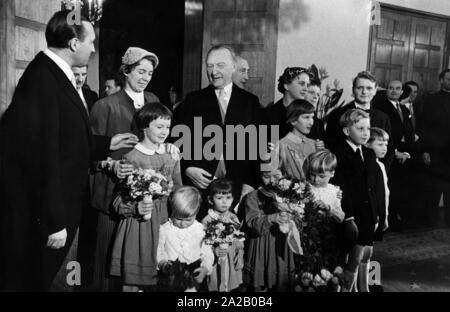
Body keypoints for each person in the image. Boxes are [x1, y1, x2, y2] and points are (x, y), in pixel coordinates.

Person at [0, 10, 136, 291]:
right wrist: (54, 221)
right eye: (91, 41)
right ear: (74, 44)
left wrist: (107, 143)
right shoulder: (43, 80)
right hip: (54, 214)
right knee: (56, 284)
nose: (94, 48)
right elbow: (42, 156)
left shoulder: (52, 74)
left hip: (62, 208)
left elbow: (64, 139)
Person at [89, 47, 161, 291]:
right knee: (107, 268)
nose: (145, 77)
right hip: (111, 199)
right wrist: (109, 164)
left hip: (146, 201)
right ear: (126, 71)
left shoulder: (153, 101)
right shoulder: (105, 106)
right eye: (140, 71)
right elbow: (88, 155)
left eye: (149, 73)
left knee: (137, 268)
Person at [172, 44, 265, 219]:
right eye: (209, 66)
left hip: (238, 185)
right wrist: (187, 168)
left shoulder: (250, 102)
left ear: (233, 67)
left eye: (220, 65)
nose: (214, 72)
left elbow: (259, 145)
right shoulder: (193, 100)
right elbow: (177, 139)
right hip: (200, 183)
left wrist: (251, 182)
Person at [109, 102, 182, 292]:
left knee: (164, 280)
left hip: (164, 221)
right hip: (139, 227)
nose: (164, 131)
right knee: (133, 283)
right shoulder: (132, 157)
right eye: (159, 126)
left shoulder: (171, 155)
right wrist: (135, 208)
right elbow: (117, 200)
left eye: (167, 126)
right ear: (144, 127)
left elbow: (178, 190)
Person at [330, 109, 383, 292]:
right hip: (349, 215)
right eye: (360, 129)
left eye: (368, 128)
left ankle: (358, 288)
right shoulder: (338, 154)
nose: (366, 133)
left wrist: (377, 216)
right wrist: (348, 217)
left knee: (360, 257)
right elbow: (339, 190)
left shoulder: (368, 154)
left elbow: (374, 188)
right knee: (348, 260)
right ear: (346, 131)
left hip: (367, 215)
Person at [240, 166, 296, 291]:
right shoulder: (252, 197)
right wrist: (271, 218)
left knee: (283, 284)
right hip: (261, 245)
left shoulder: (291, 195)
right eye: (266, 176)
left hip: (282, 245)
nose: (271, 181)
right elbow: (252, 223)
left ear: (284, 175)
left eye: (276, 176)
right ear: (260, 176)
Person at [325, 71, 393, 170]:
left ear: (375, 90)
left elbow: (389, 149)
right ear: (353, 90)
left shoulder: (383, 117)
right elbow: (330, 145)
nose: (364, 92)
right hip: (344, 171)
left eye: (369, 88)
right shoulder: (337, 114)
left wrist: (378, 172)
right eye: (360, 88)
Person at [373, 80, 415, 230]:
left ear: (402, 92)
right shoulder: (380, 108)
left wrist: (407, 152)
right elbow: (381, 134)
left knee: (401, 189)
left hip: (405, 156)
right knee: (389, 188)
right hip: (389, 154)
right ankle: (388, 221)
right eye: (391, 88)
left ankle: (398, 219)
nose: (394, 91)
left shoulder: (404, 109)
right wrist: (395, 152)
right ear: (387, 91)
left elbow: (410, 132)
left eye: (397, 89)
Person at [157, 186, 214, 292]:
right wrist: (162, 263)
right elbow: (158, 251)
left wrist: (205, 269)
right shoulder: (165, 229)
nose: (182, 223)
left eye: (188, 220)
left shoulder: (201, 229)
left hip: (194, 272)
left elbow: (207, 252)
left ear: (196, 213)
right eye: (178, 218)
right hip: (171, 273)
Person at [418, 69, 450, 228]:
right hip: (436, 151)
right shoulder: (431, 99)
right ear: (441, 80)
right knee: (433, 188)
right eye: (448, 79)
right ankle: (429, 221)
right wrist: (425, 150)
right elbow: (424, 126)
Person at [201, 179, 244, 292]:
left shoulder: (233, 218)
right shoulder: (207, 220)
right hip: (216, 260)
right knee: (217, 284)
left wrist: (240, 252)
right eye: (219, 198)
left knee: (230, 285)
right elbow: (202, 243)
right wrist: (213, 250)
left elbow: (238, 238)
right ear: (210, 200)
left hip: (230, 257)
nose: (224, 202)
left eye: (228, 198)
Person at [265, 67, 313, 141]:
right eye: (301, 83)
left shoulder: (311, 114)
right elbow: (262, 148)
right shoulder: (269, 115)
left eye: (307, 85)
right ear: (286, 85)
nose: (306, 89)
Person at [275, 99, 317, 180]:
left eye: (312, 117)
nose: (311, 122)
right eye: (306, 117)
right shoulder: (281, 145)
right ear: (293, 120)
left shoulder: (314, 144)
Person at [302, 150, 345, 223]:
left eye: (321, 176)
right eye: (313, 175)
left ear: (332, 174)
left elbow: (340, 217)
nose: (316, 179)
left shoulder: (334, 191)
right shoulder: (304, 187)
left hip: (327, 230)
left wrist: (328, 208)